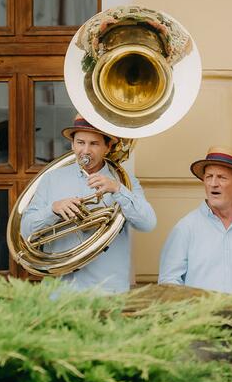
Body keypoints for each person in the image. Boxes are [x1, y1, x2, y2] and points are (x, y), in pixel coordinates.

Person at [19, 115, 156, 293]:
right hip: (60, 290)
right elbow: (26, 230)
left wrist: (118, 190)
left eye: (94, 144)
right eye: (80, 142)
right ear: (72, 145)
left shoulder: (125, 181)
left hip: (108, 290)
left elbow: (148, 223)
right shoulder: (52, 179)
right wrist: (53, 209)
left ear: (108, 147)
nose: (85, 150)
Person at [158, 147, 232, 292]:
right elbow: (169, 283)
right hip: (203, 314)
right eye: (209, 176)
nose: (213, 183)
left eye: (222, 177)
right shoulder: (186, 227)